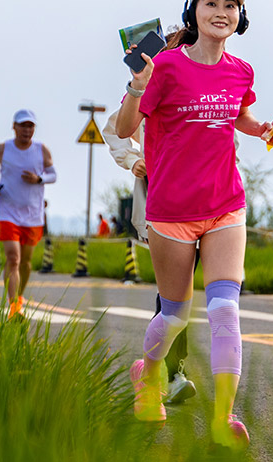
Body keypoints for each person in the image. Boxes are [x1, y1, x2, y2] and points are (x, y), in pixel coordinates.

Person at [115, 0, 273, 448]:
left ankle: (223, 417)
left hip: (225, 204)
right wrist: (137, 86)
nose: (221, 12)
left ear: (240, 17)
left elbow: (240, 115)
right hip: (171, 209)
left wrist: (263, 129)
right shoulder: (165, 66)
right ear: (193, 12)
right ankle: (148, 375)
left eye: (231, 5)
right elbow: (126, 127)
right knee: (174, 315)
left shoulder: (241, 71)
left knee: (225, 310)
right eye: (211, 3)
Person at [103, 107, 198, 405]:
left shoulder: (204, 90)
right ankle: (170, 374)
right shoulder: (148, 94)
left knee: (189, 293)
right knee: (174, 293)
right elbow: (114, 129)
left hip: (206, 202)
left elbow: (226, 138)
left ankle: (156, 371)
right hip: (161, 204)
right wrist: (133, 160)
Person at [0, 109, 56, 320]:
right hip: (8, 210)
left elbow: (53, 175)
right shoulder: (2, 149)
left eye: (30, 126)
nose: (27, 130)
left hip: (33, 213)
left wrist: (39, 179)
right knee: (13, 258)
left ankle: (19, 297)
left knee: (25, 261)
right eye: (23, 125)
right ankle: (14, 307)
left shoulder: (41, 150)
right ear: (14, 127)